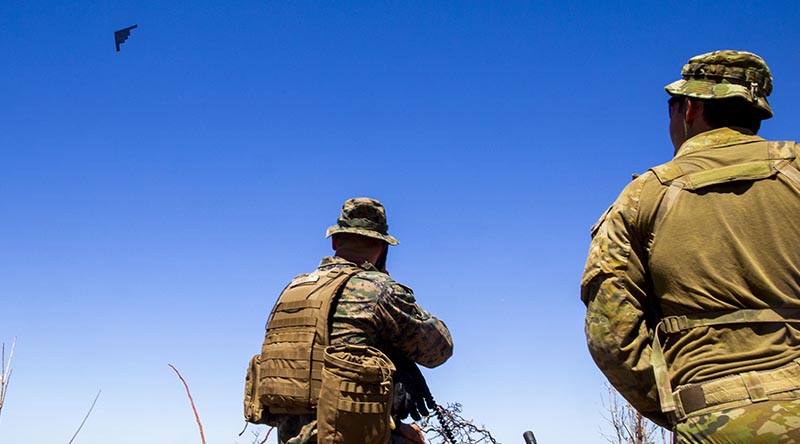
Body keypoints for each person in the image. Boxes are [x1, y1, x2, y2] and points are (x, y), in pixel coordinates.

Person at [581, 50, 800, 443]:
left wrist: (686, 406)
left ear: (690, 109)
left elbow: (610, 334)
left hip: (715, 422)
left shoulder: (643, 196)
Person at [247, 197, 453, 444]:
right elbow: (439, 349)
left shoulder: (293, 289)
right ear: (382, 247)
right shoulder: (379, 289)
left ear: (335, 241)